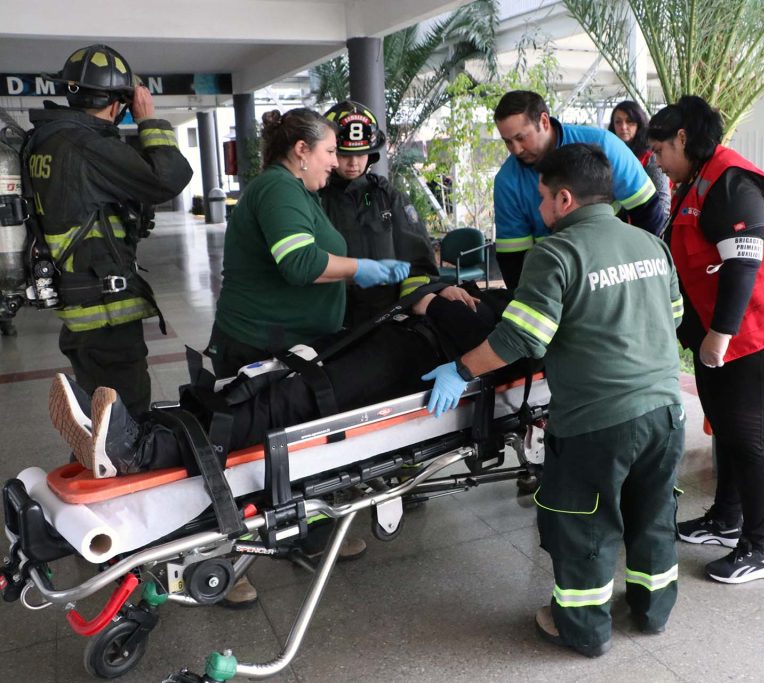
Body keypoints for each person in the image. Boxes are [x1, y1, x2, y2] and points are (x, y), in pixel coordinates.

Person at [423, 143, 685, 658]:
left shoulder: (557, 252)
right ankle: (653, 612)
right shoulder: (650, 244)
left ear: (564, 199)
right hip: (666, 411)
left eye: (542, 198)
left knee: (584, 522)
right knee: (652, 512)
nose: (538, 209)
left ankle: (584, 629)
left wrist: (459, 369)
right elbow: (671, 316)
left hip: (598, 421)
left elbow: (521, 339)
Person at [49, 287, 515, 475]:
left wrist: (437, 304)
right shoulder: (518, 292)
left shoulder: (538, 315)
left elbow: (491, 339)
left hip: (416, 365)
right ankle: (140, 427)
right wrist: (435, 301)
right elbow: (435, 298)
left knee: (291, 401)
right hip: (395, 340)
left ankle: (143, 453)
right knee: (267, 379)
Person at [647, 96, 764, 584]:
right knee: (724, 425)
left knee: (750, 436)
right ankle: (726, 518)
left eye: (660, 149)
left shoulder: (731, 181)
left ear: (682, 138)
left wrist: (719, 335)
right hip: (726, 331)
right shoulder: (695, 178)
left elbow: (744, 262)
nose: (656, 161)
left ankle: (762, 549)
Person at [27, 44, 193, 417]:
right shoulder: (87, 145)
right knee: (124, 419)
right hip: (106, 310)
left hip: (80, 302)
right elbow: (169, 178)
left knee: (100, 414)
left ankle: (95, 465)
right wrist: (149, 120)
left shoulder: (46, 139)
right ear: (120, 103)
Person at [204, 107, 410, 378]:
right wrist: (359, 267)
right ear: (302, 149)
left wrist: (354, 277)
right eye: (330, 151)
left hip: (287, 343)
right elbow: (299, 262)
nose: (336, 162)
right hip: (259, 346)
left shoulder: (299, 191)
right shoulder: (279, 187)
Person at [320, 100, 478, 325]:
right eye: (345, 155)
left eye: (362, 154)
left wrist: (425, 295)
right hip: (329, 320)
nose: (354, 163)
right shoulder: (314, 198)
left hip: (386, 318)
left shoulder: (389, 198)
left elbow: (418, 262)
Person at [492, 90, 664, 290]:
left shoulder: (605, 146)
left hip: (615, 271)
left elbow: (649, 212)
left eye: (521, 138)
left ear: (544, 121)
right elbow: (513, 261)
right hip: (556, 283)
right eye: (507, 141)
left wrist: (636, 275)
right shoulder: (507, 182)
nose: (516, 149)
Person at [608, 100, 670, 229]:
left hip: (649, 227)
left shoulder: (651, 157)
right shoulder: (608, 155)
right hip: (616, 228)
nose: (623, 127)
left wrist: (656, 235)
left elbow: (662, 199)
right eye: (618, 122)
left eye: (629, 121)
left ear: (639, 124)